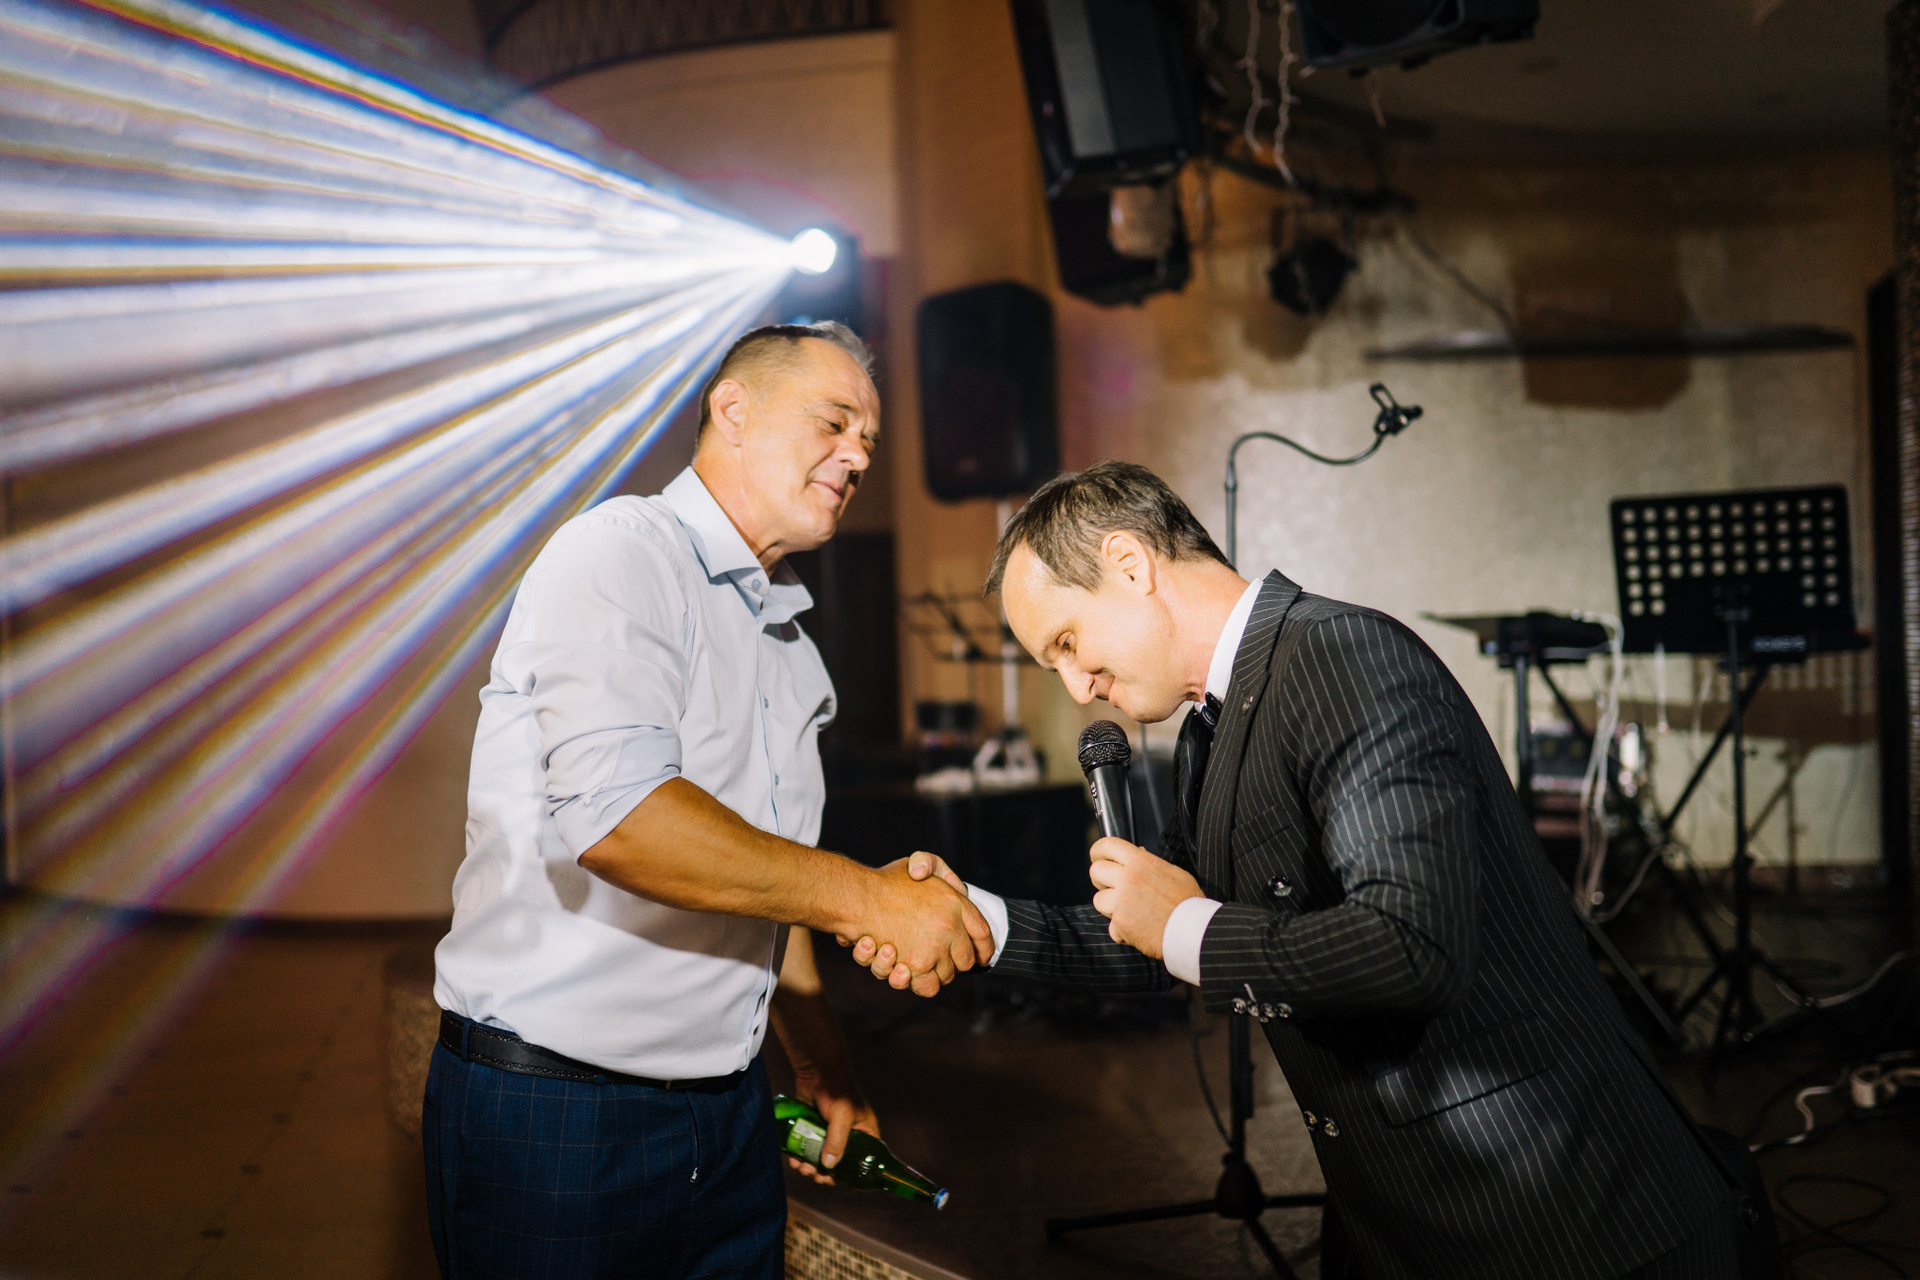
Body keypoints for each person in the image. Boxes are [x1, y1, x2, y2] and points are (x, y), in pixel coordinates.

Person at [856, 461, 1758, 1279]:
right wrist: (975, 921)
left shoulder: (1340, 656)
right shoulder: (1213, 725)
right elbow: (1149, 934)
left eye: (1064, 642)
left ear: (1129, 564)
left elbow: (1411, 947)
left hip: (1564, 1214)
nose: (1075, 685)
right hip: (1399, 1207)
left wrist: (1185, 925)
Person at [428, 322, 992, 1280]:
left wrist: (820, 1062)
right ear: (732, 411)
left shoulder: (793, 648)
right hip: (559, 1113)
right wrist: (869, 898)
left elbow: (769, 879)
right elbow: (624, 823)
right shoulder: (621, 554)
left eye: (869, 440)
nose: (859, 456)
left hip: (730, 1116)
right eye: (834, 422)